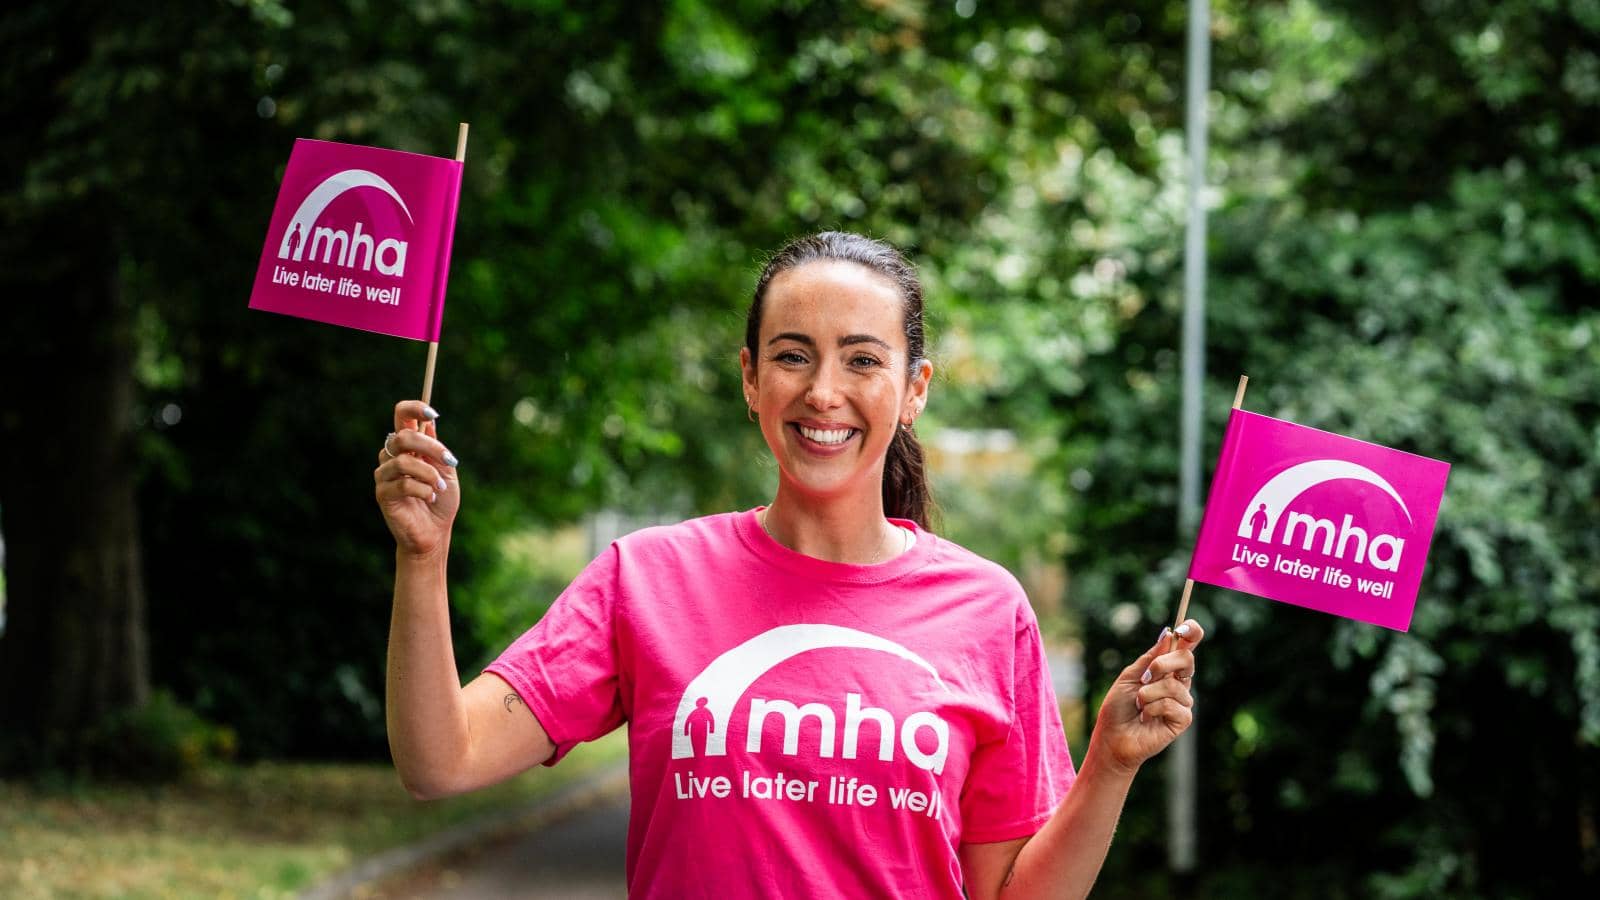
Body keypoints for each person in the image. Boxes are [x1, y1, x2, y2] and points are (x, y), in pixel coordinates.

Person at [375, 231, 1203, 899]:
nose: (824, 391)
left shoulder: (986, 608)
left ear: (915, 389)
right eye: (794, 355)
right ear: (750, 378)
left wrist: (1109, 764)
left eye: (863, 360)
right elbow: (440, 759)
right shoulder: (647, 578)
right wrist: (424, 555)